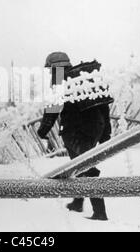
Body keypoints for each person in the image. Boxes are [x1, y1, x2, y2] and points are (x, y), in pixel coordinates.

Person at [37, 52, 112, 221]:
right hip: (95, 127)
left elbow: (52, 109)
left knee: (88, 168)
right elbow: (103, 105)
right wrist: (105, 132)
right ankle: (78, 203)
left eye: (50, 69)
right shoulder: (85, 77)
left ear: (55, 66)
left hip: (75, 130)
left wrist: (43, 130)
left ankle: (100, 212)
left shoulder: (59, 79)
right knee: (79, 165)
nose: (49, 73)